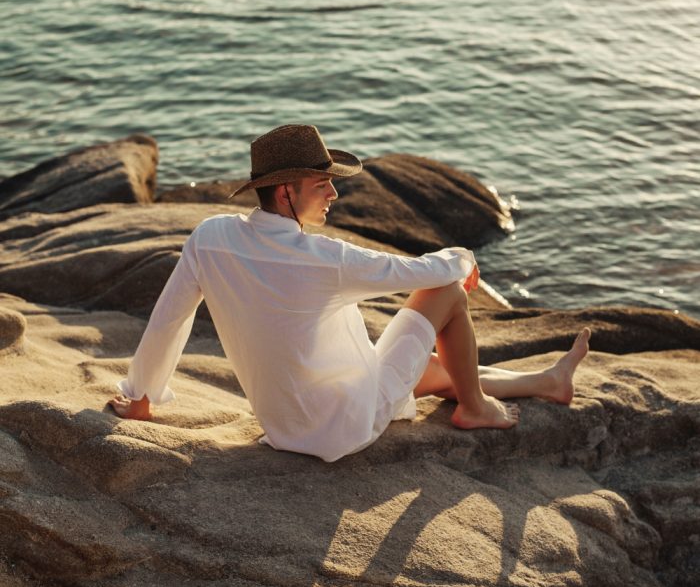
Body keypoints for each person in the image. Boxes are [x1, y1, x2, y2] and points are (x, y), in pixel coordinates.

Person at [109, 124, 590, 462]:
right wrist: (463, 257)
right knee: (446, 292)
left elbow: (169, 319)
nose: (334, 195)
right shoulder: (326, 259)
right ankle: (476, 408)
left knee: (429, 372)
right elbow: (422, 271)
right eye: (323, 185)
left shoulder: (209, 238)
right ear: (285, 194)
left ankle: (547, 381)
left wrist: (141, 395)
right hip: (342, 426)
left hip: (283, 423)